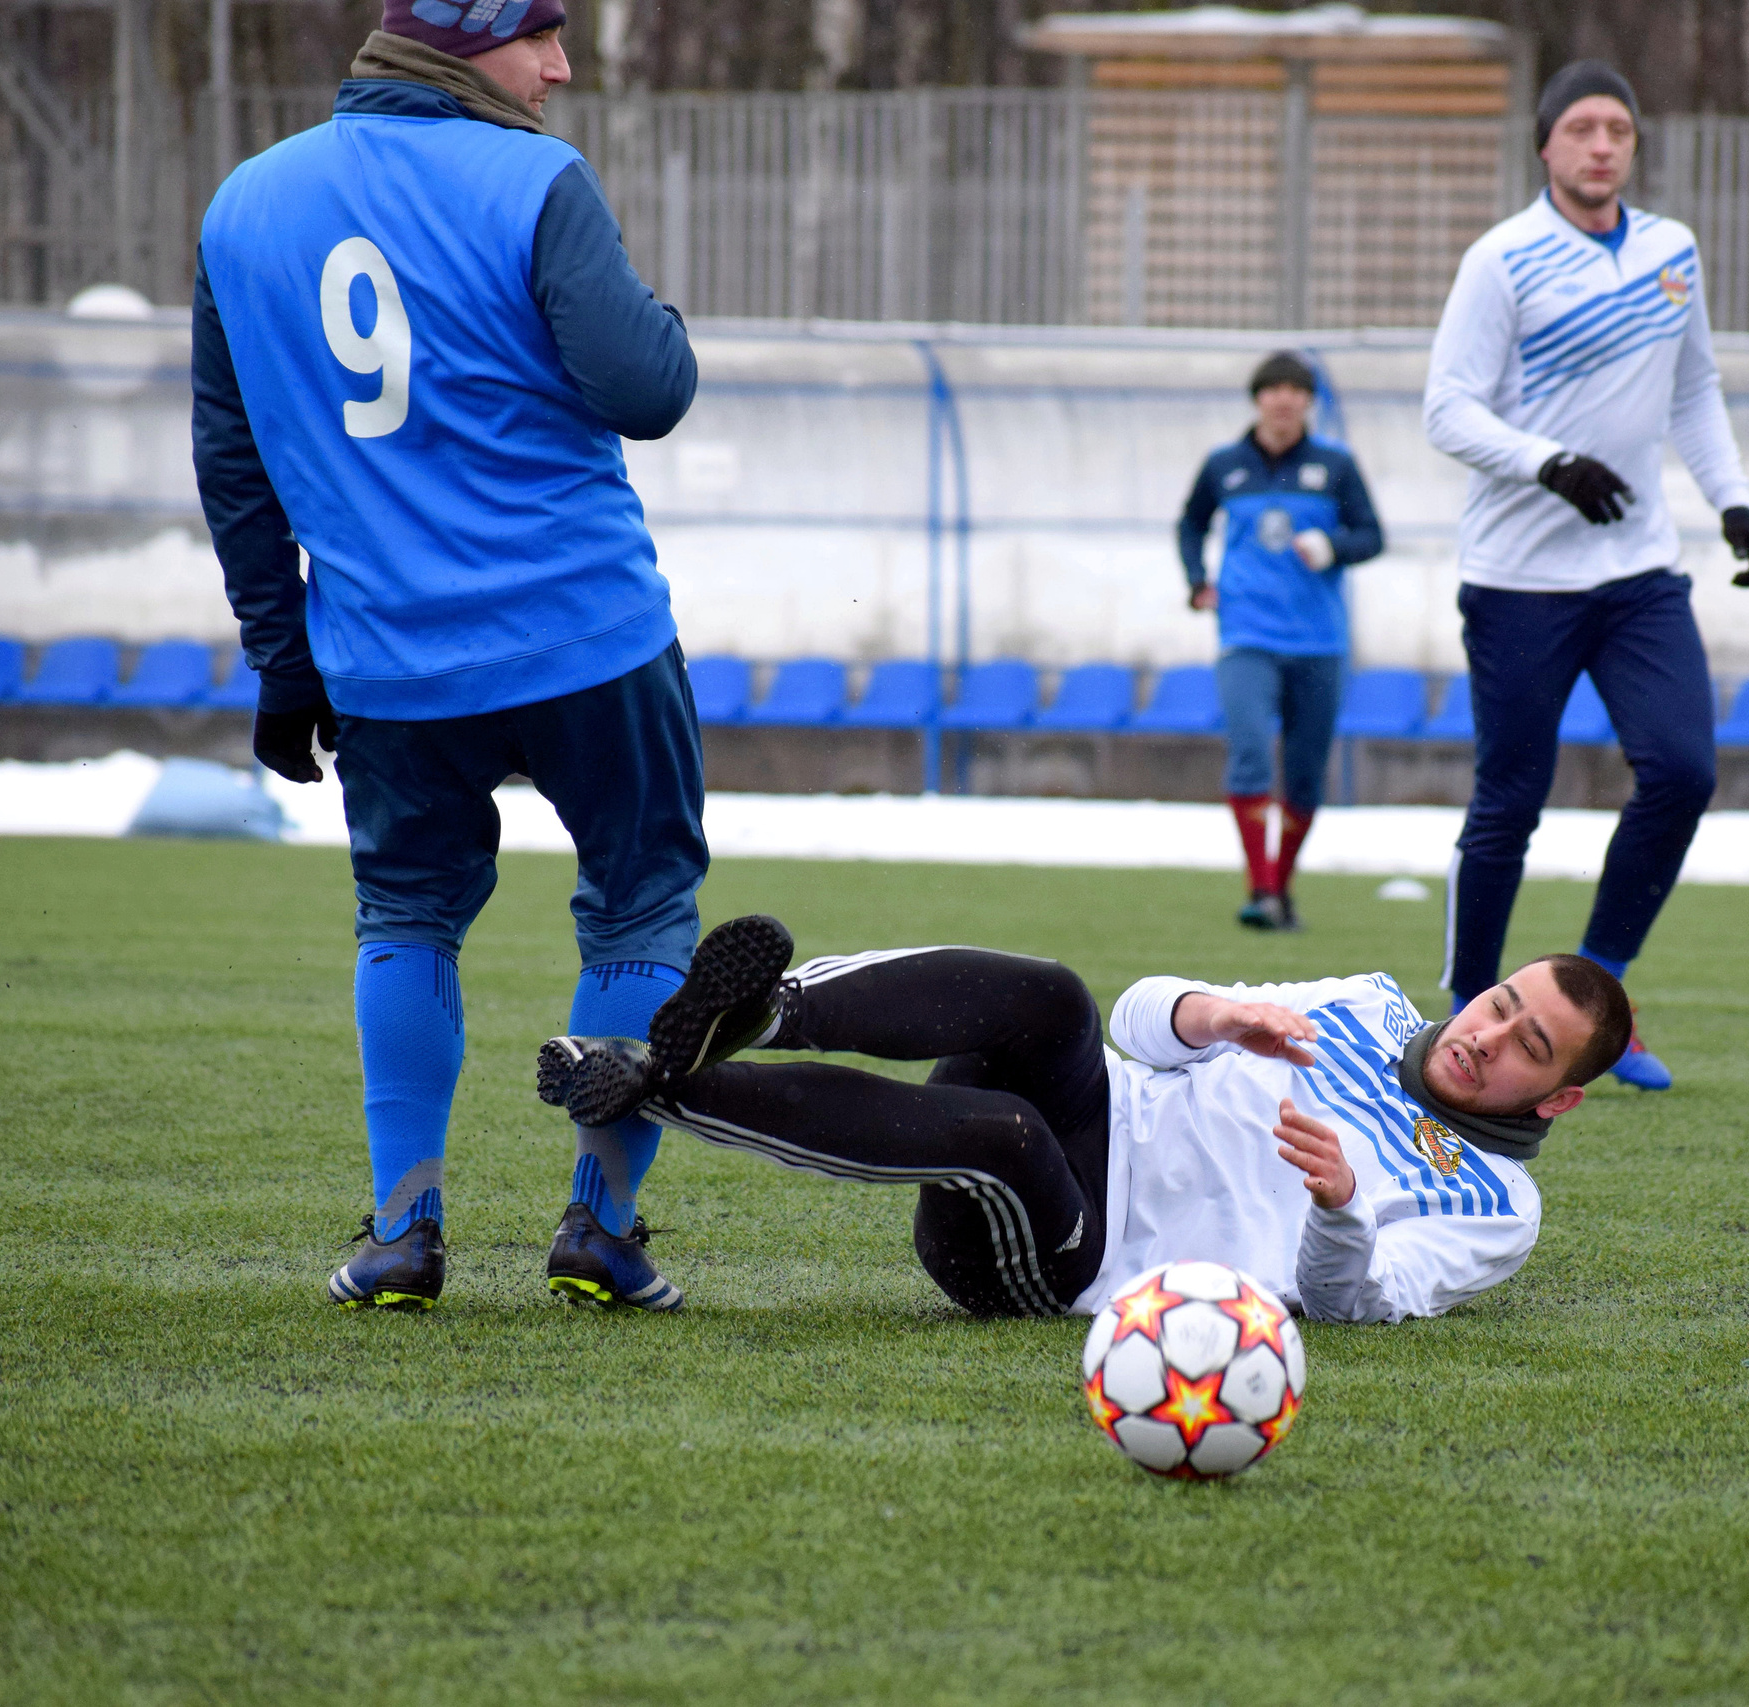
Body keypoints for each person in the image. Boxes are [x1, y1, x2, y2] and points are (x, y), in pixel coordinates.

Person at [193, 0, 704, 1313]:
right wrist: (666, 320)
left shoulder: (245, 205)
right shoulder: (537, 176)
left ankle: (402, 1236)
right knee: (642, 897)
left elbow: (233, 459)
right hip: (588, 629)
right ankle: (600, 1227)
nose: (560, 67)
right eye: (541, 36)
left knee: (406, 915)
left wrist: (279, 653)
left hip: (386, 656)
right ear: (469, 42)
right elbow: (646, 387)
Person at [537, 914, 1631, 1325]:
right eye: (1499, 1003)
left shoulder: (1498, 1204)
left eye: (1527, 1046)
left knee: (1001, 1136)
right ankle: (761, 1011)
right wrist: (1211, 1013)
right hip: (1108, 1105)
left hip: (1091, 1256)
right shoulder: (1367, 1001)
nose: (1486, 1036)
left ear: (1560, 1096)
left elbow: (1358, 1305)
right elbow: (1136, 1016)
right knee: (1053, 995)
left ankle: (653, 1081)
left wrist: (1340, 1205)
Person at [1423, 60, 1749, 1092]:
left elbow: (1695, 388)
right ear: (1545, 144)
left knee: (1684, 769)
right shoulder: (1503, 259)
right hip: (1518, 580)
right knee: (1511, 801)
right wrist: (1548, 462)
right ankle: (1463, 1011)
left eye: (1617, 127)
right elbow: (1447, 408)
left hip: (1636, 573)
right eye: (1580, 126)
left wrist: (1734, 500)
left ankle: (1603, 1005)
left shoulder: (1671, 251)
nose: (1601, 144)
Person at [1177, 351, 1384, 933]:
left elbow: (1372, 536)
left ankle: (1280, 887)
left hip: (1319, 642)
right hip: (1246, 634)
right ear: (1258, 399)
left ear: (1308, 402)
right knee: (1247, 750)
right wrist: (1198, 581)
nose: (1284, 400)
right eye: (1274, 390)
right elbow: (1190, 523)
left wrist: (1334, 546)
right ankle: (1260, 888)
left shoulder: (1334, 466)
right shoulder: (1224, 466)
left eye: (1296, 390)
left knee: (1305, 771)